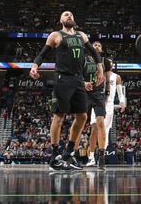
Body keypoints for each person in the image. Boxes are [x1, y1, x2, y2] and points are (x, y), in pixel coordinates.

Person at [29, 11, 104, 171]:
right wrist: (35, 67)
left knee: (82, 116)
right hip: (63, 78)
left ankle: (68, 153)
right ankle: (54, 155)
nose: (69, 16)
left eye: (70, 14)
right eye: (65, 15)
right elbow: (42, 54)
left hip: (78, 79)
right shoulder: (56, 35)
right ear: (60, 20)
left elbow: (93, 52)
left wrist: (99, 68)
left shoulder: (81, 35)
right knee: (59, 115)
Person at [86, 55, 126, 167]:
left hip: (109, 106)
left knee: (105, 131)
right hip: (97, 103)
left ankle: (101, 156)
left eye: (111, 62)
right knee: (94, 129)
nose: (109, 64)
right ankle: (91, 157)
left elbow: (120, 93)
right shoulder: (98, 75)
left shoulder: (116, 77)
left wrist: (122, 102)